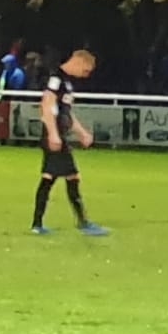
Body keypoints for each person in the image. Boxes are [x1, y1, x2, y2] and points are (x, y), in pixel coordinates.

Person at [31, 50, 109, 236]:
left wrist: (81, 132)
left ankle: (39, 224)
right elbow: (47, 105)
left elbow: (66, 113)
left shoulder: (67, 83)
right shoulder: (56, 79)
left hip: (59, 135)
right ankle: (80, 223)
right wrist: (53, 134)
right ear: (78, 61)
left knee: (56, 177)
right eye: (86, 71)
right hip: (54, 135)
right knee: (62, 177)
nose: (85, 75)